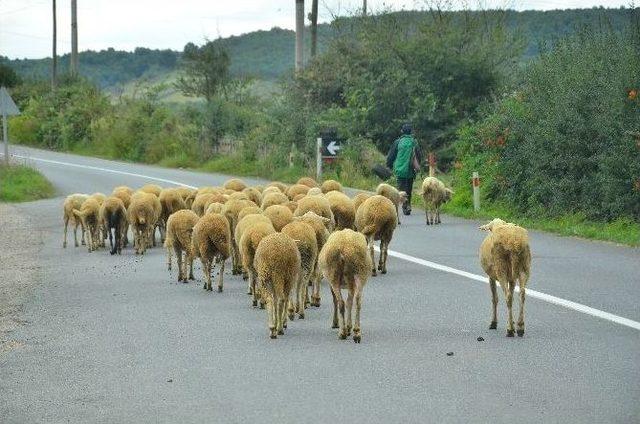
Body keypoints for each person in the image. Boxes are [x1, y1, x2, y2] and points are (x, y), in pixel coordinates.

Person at [386, 123, 422, 215]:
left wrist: (389, 165)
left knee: (401, 188)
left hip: (399, 170)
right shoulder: (414, 142)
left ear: (402, 131)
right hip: (410, 170)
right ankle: (407, 205)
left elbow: (391, 155)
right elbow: (418, 155)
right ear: (411, 132)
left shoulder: (398, 142)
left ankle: (401, 205)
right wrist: (417, 165)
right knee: (409, 188)